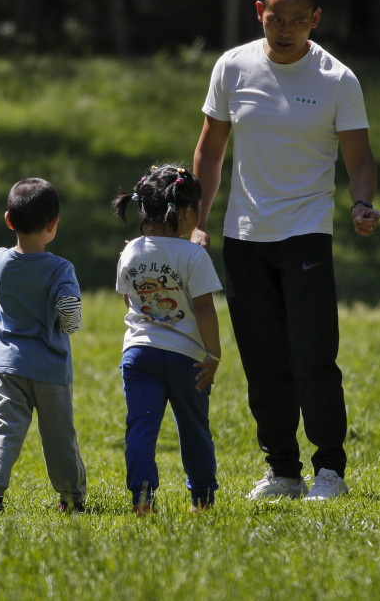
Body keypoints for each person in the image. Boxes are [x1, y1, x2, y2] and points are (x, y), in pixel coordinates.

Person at [192, 0, 380, 501]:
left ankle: (330, 471)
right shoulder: (232, 67)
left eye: (299, 20)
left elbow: (360, 158)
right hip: (245, 238)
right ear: (260, 13)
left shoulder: (337, 80)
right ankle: (282, 471)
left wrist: (361, 204)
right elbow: (210, 152)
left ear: (315, 21)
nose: (286, 29)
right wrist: (200, 221)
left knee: (312, 355)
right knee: (262, 360)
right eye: (277, 18)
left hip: (306, 234)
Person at [0, 178, 87, 514]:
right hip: (51, 370)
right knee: (59, 440)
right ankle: (71, 500)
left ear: (9, 221)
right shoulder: (60, 269)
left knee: (3, 433)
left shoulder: (1, 260)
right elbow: (70, 315)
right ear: (53, 225)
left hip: (9, 366)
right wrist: (66, 323)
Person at [111, 165, 224, 515]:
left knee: (140, 428)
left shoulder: (129, 252)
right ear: (188, 212)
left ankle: (142, 499)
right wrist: (214, 355)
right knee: (193, 430)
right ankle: (201, 500)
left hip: (139, 353)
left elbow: (129, 299)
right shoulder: (193, 255)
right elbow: (204, 307)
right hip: (186, 359)